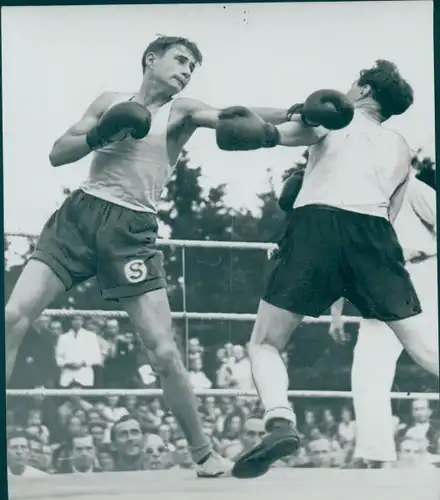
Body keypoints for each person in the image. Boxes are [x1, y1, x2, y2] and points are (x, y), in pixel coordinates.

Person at [5, 35, 346, 478]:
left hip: (131, 230)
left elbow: (231, 117)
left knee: (163, 351)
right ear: (151, 59)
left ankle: (203, 453)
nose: (186, 71)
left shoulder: (182, 111)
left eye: (192, 67)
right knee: (12, 314)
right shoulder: (109, 101)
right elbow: (57, 153)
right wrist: (99, 133)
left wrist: (294, 113)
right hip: (78, 216)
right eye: (181, 60)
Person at [214, 59, 439, 479]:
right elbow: (390, 211)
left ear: (366, 90)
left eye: (355, 82)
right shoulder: (401, 148)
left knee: (265, 343)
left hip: (316, 226)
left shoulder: (332, 121)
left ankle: (279, 421)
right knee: (424, 349)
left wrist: (277, 118)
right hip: (374, 236)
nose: (348, 87)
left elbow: (268, 132)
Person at [330, 172, 437, 467]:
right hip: (382, 285)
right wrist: (336, 314)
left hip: (423, 274)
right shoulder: (348, 204)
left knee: (431, 355)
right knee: (367, 368)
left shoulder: (412, 188)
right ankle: (375, 454)